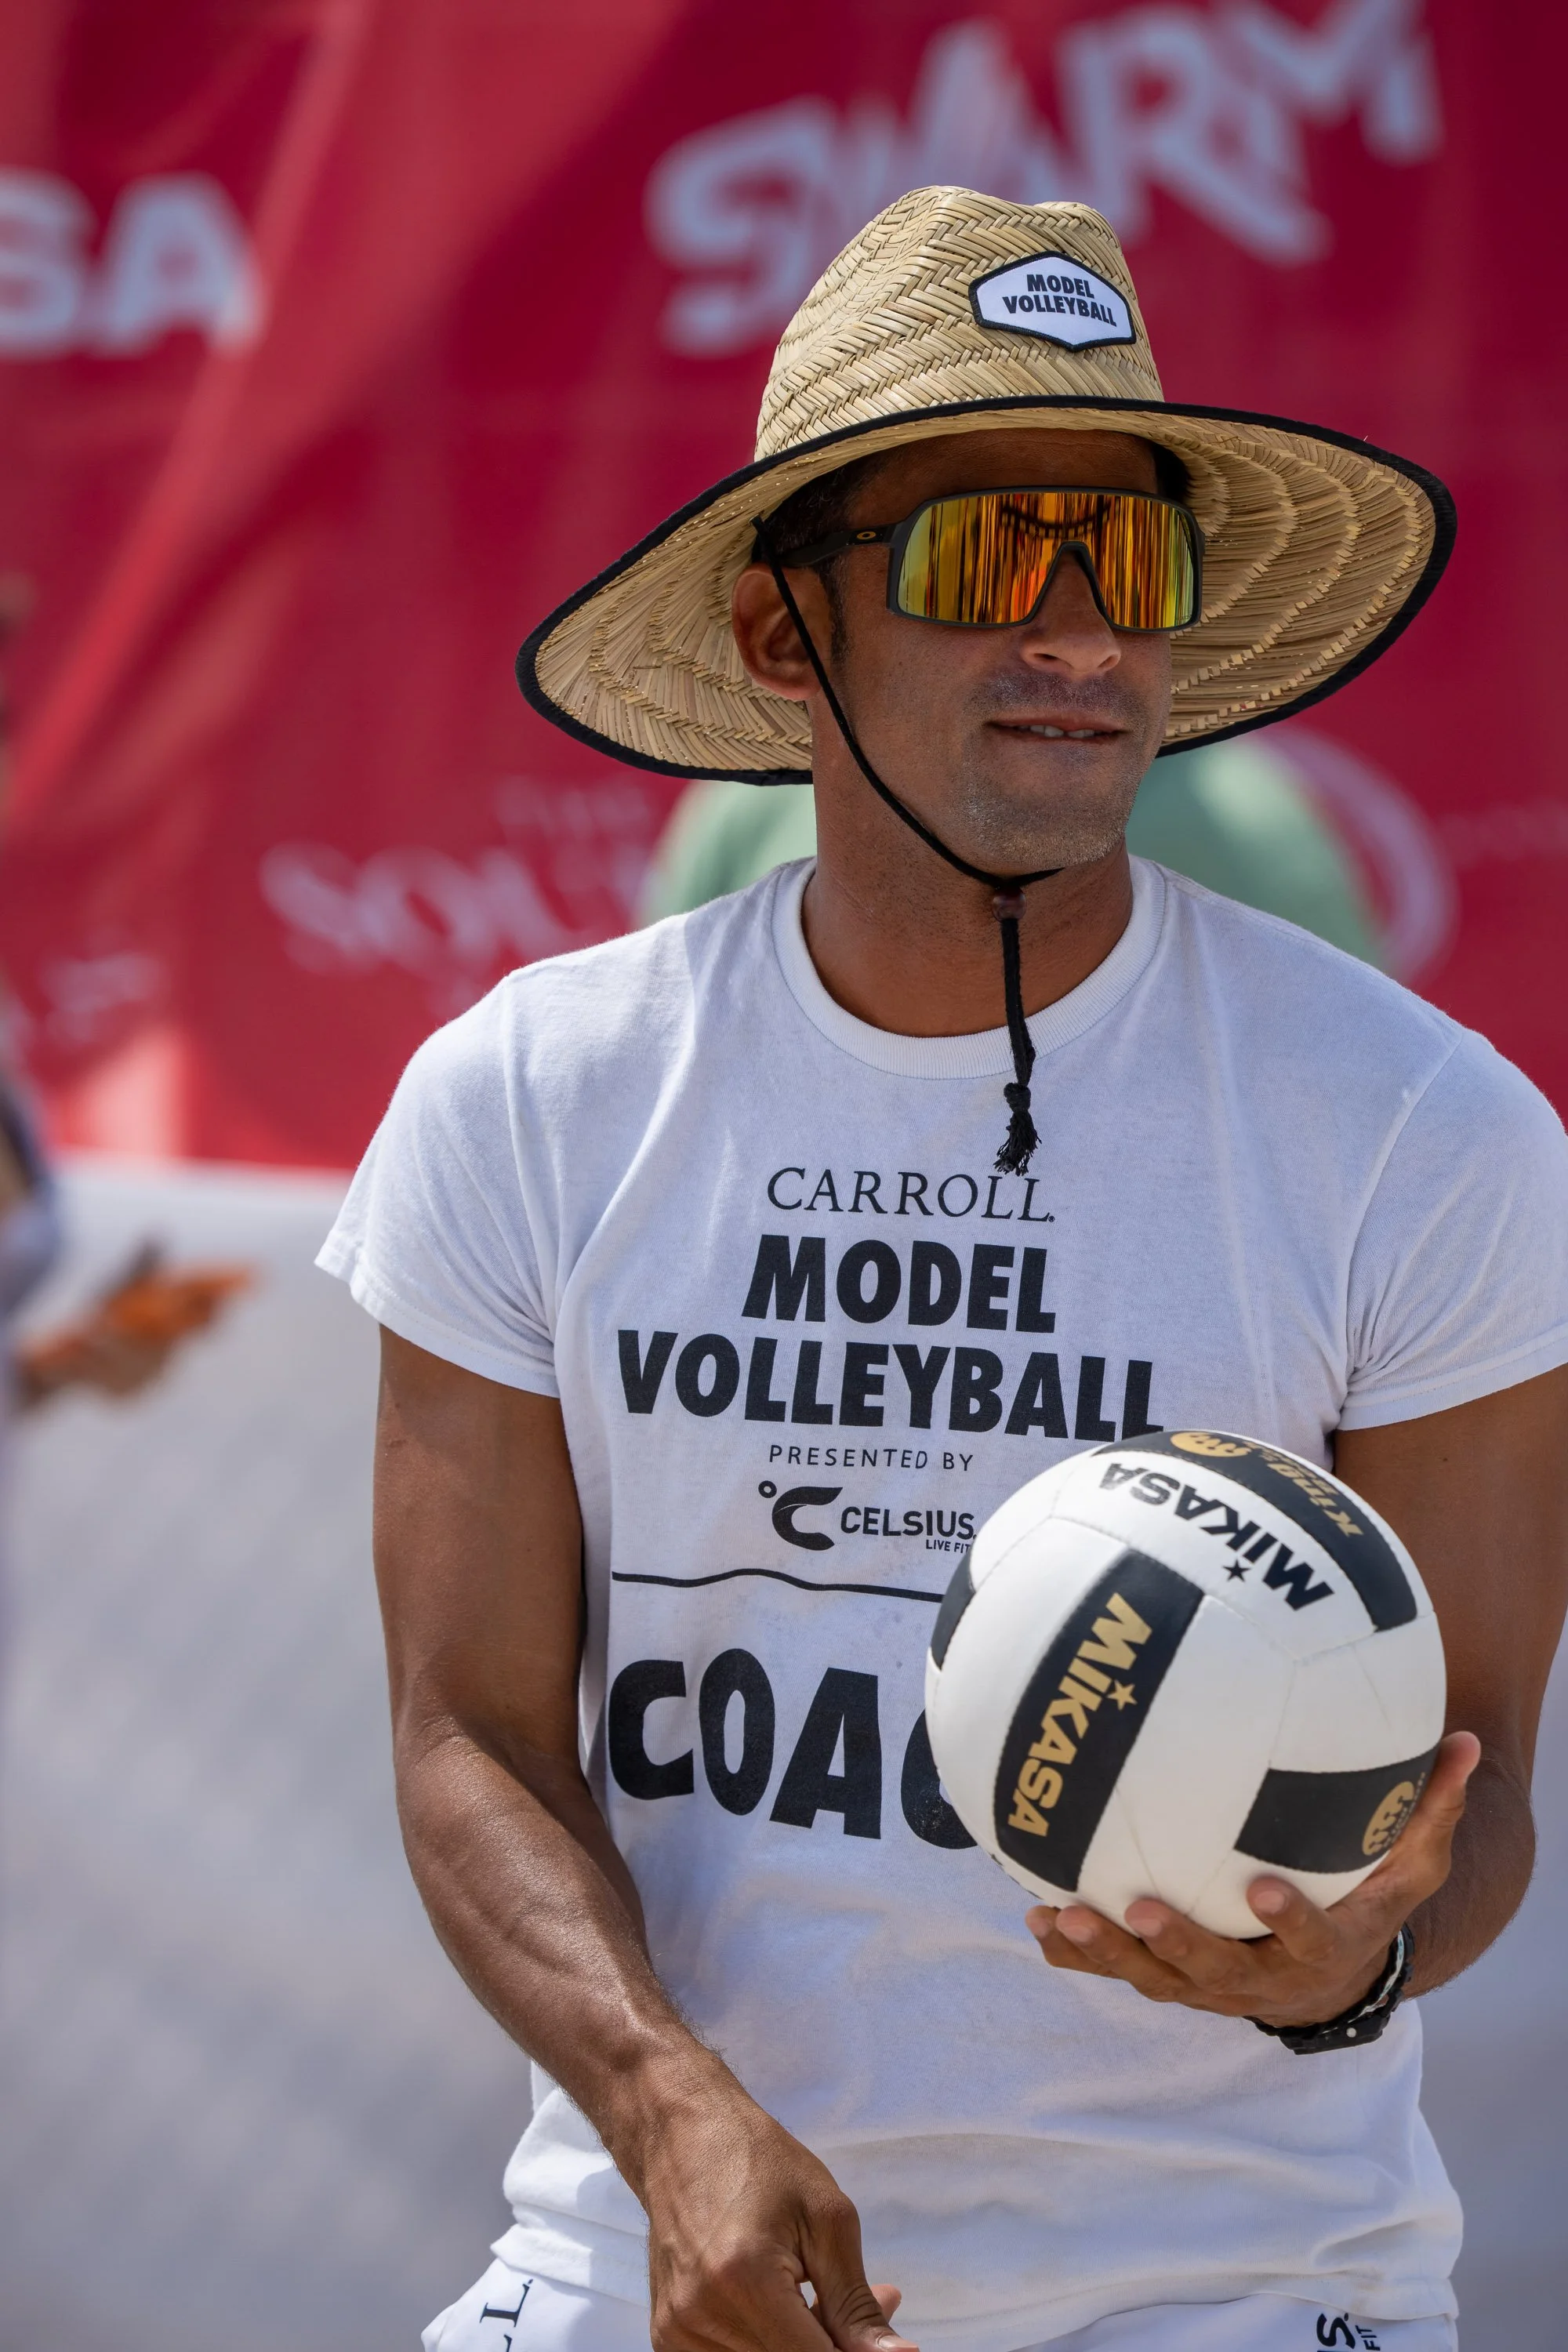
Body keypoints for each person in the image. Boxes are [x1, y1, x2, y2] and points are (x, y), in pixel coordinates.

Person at [321, 191, 1568, 2352]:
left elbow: (1474, 1788)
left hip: (1238, 2287)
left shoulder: (1421, 1126)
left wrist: (1346, 1951)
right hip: (654, 2258)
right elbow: (471, 1738)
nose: (1078, 633)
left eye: (1133, 563)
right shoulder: (527, 1098)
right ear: (781, 632)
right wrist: (666, 2112)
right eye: (989, 558)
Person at [640, 744, 1384, 967]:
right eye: (971, 563)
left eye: (1139, 565)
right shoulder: (751, 800)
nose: (1074, 632)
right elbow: (677, 1054)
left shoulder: (1257, 827)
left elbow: (1344, 1100)